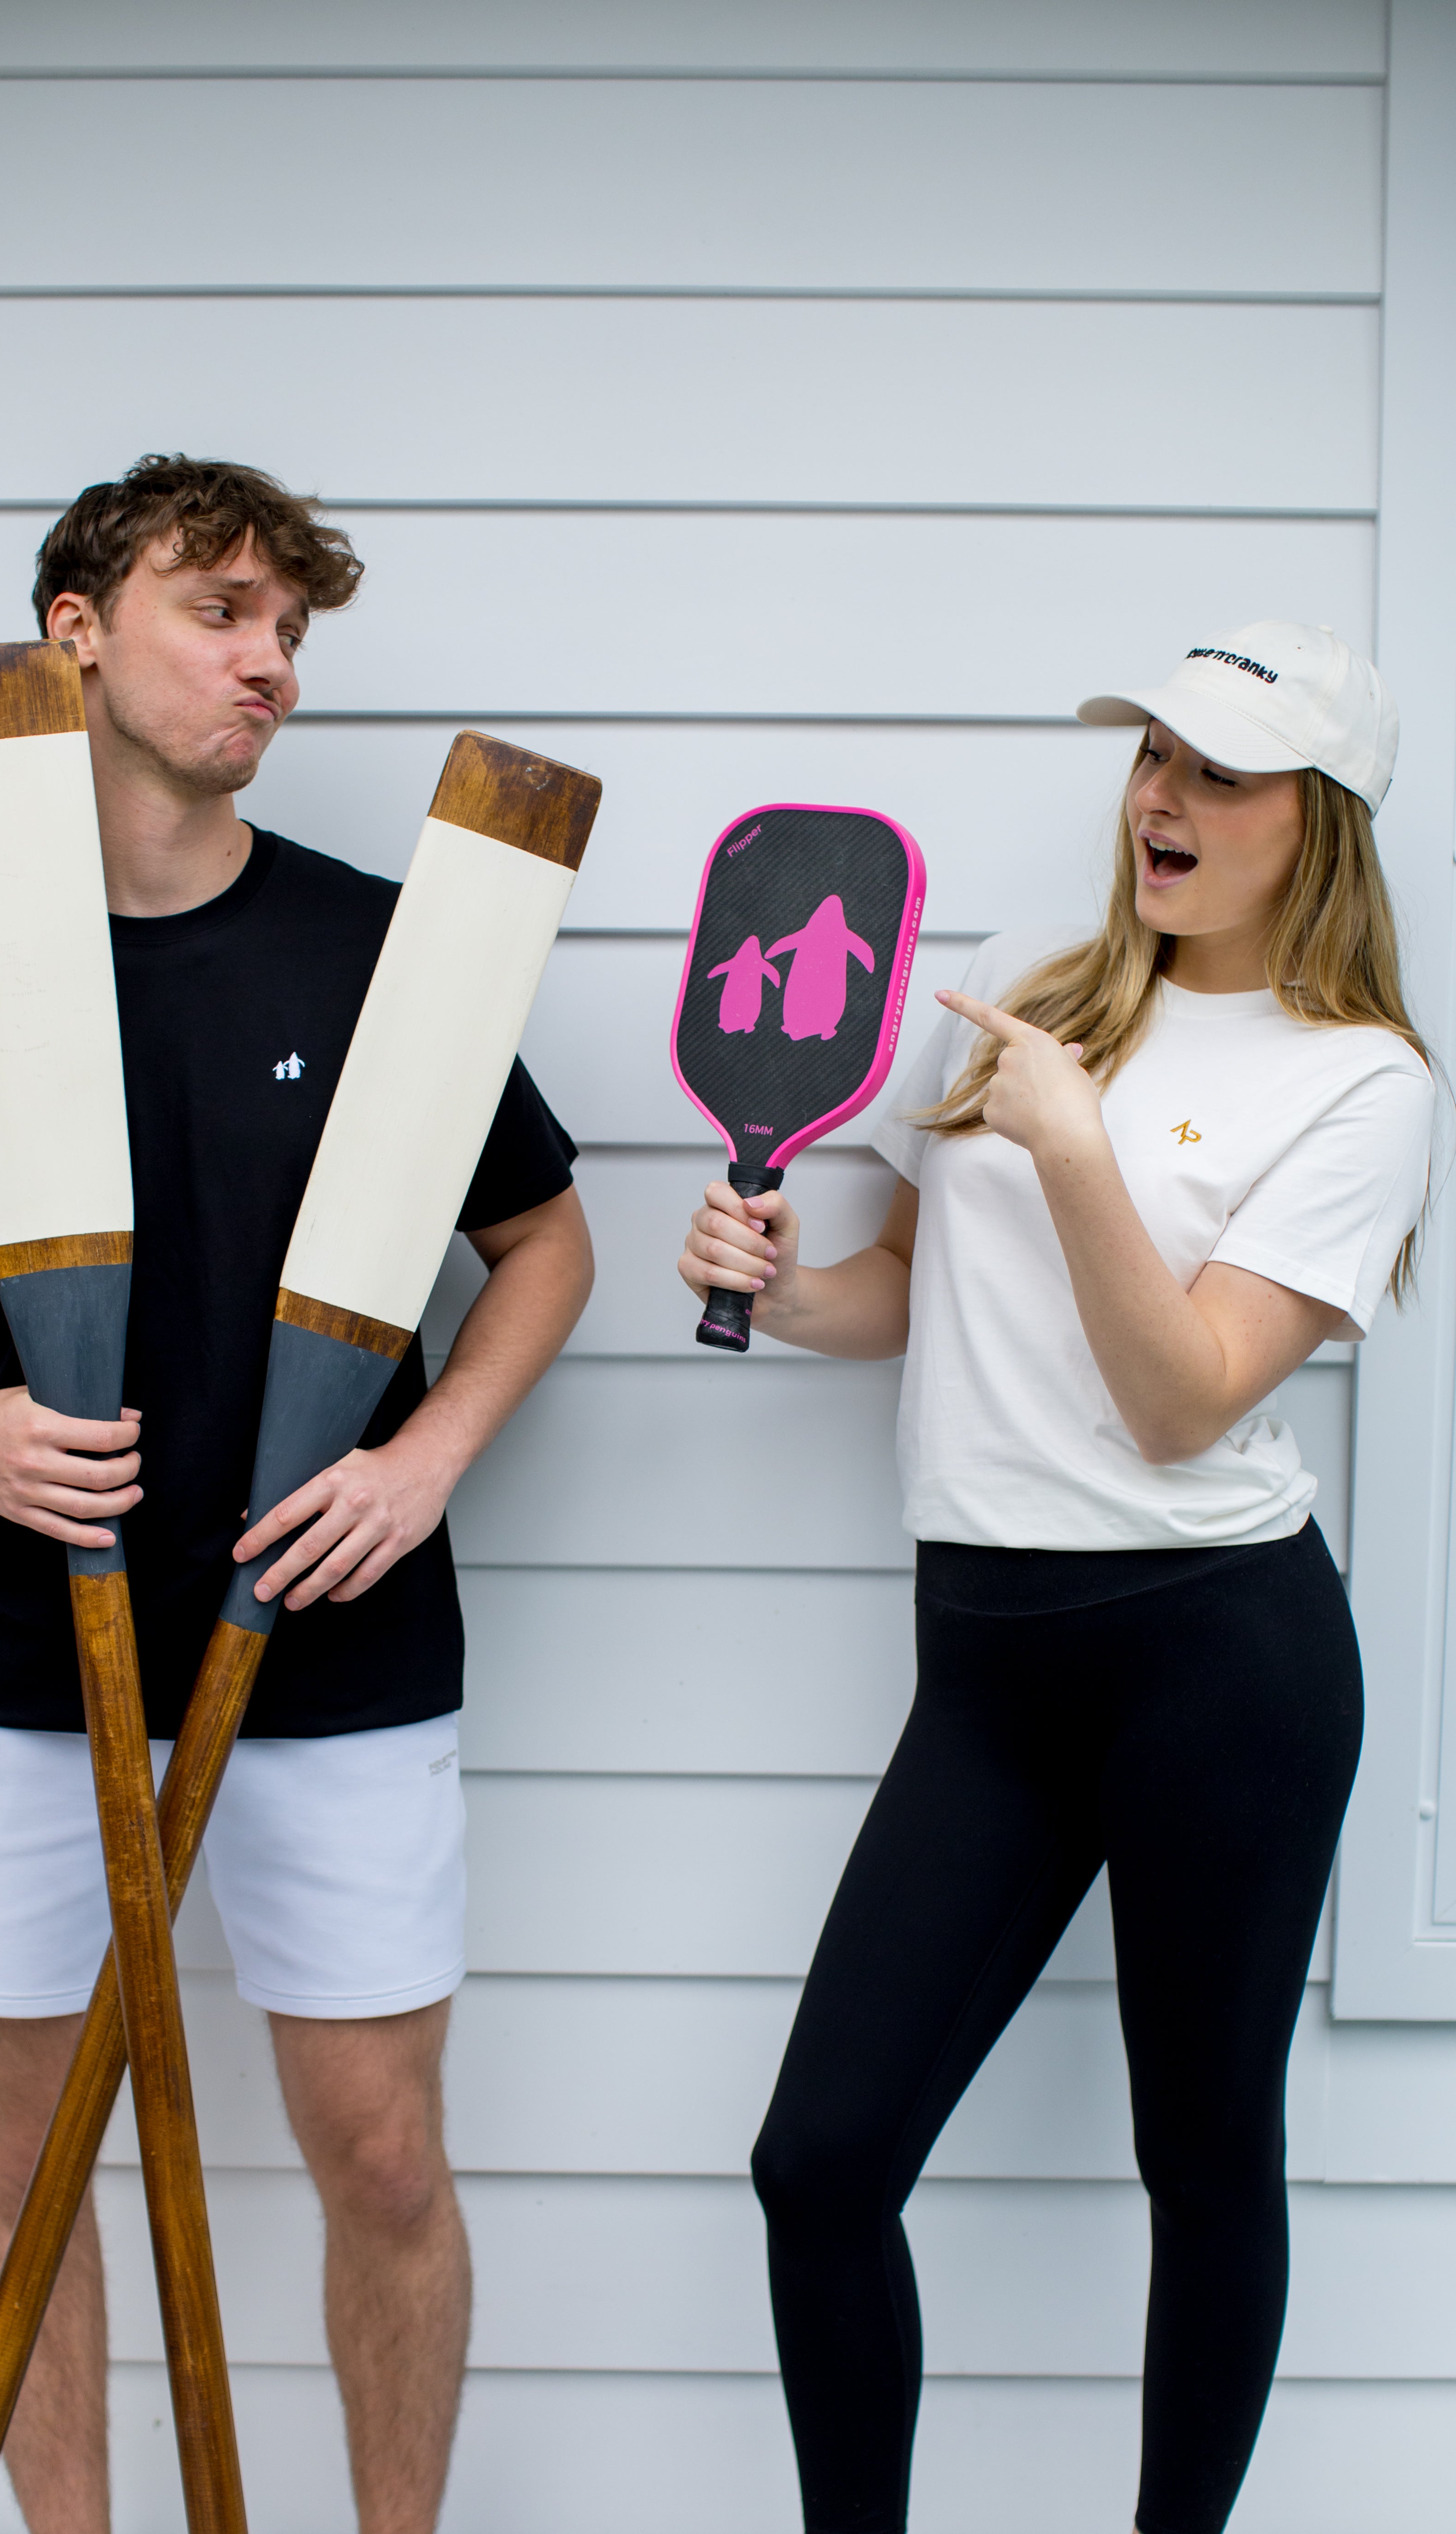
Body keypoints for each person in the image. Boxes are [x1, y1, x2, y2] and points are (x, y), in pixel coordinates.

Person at [0, 454, 594, 2534]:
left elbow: (545, 1236)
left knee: (386, 2152)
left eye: (293, 629)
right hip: (19, 1642)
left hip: (337, 1636)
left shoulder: (386, 951)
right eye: (222, 611)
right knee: (31, 2150)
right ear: (77, 632)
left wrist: (423, 1457)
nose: (271, 665)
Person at [678, 622, 1434, 2534]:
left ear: (1319, 824)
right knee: (821, 2158)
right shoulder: (1026, 991)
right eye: (1153, 754)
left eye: (1224, 771)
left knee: (1201, 2153)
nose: (1163, 797)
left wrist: (1082, 1145)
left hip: (1219, 1665)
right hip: (990, 1666)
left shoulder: (1364, 1085)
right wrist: (778, 1289)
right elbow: (916, 1301)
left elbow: (1183, 1402)